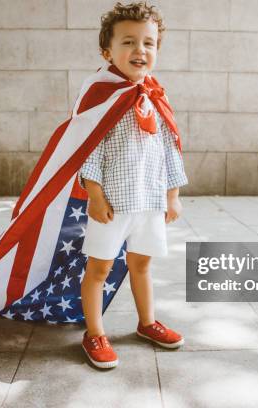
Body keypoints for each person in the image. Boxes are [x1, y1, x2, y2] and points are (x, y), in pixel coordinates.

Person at [78, 1, 188, 369]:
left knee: (142, 265)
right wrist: (94, 195)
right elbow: (88, 150)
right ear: (107, 51)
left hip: (150, 202)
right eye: (128, 42)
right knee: (99, 270)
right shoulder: (100, 94)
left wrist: (172, 195)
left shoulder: (157, 97)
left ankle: (146, 323)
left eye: (148, 43)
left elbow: (169, 148)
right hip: (112, 205)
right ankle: (93, 332)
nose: (139, 50)